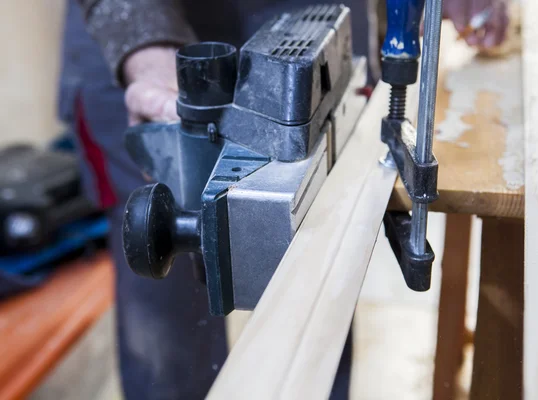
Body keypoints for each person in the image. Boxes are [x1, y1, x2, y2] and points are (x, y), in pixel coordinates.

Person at [60, 1, 509, 398]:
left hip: (308, 39)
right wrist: (146, 46)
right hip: (151, 44)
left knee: (313, 305)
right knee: (169, 334)